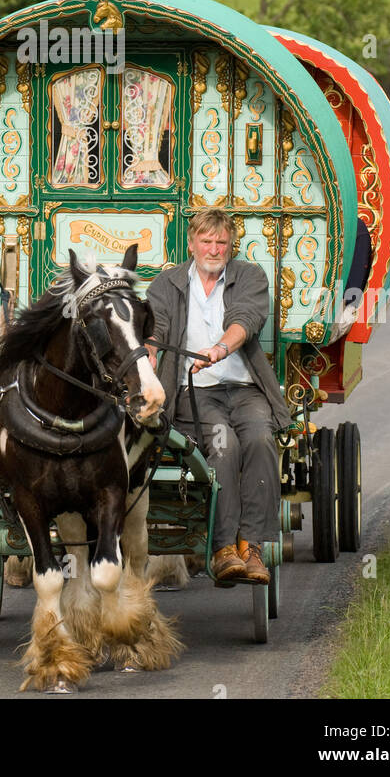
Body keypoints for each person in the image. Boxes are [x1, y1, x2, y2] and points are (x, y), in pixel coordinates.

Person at [146, 209, 291, 584]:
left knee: (260, 439)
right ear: (192, 243)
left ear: (231, 246)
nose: (214, 249)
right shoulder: (167, 284)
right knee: (224, 445)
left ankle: (252, 547)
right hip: (196, 394)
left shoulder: (249, 277)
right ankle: (224, 549)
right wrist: (147, 350)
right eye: (206, 241)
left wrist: (221, 349)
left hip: (244, 388)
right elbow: (156, 326)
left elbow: (245, 318)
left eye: (221, 242)